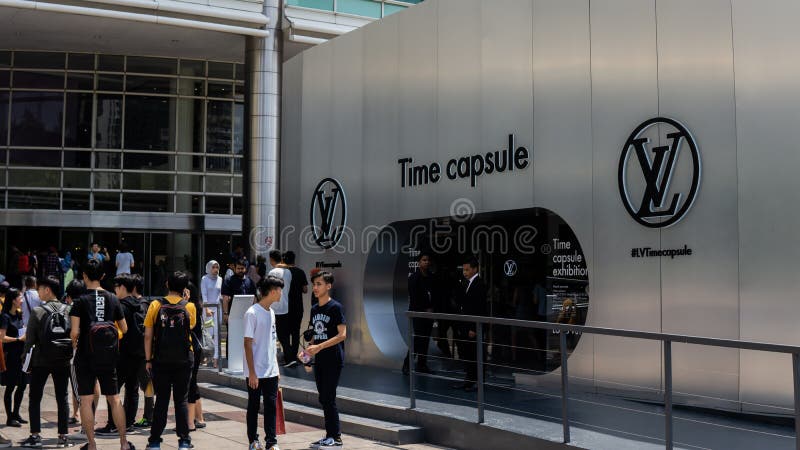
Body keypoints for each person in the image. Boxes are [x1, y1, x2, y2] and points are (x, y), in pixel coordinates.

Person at [69, 258, 134, 450]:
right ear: (103, 276)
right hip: (108, 356)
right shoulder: (113, 298)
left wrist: (76, 345)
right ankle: (123, 443)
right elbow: (125, 328)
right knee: (114, 398)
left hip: (85, 356)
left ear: (84, 276)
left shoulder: (80, 301)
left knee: (86, 400)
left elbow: (74, 332)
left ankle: (91, 445)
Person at [144, 271, 196, 450]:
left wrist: (148, 359)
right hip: (184, 359)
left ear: (167, 284)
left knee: (162, 400)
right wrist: (186, 301)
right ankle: (184, 440)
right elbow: (191, 326)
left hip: (160, 359)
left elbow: (148, 336)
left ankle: (155, 441)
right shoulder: (189, 307)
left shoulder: (155, 305)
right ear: (184, 288)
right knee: (181, 399)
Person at [21, 275, 74, 448]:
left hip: (40, 361)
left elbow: (29, 341)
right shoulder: (68, 309)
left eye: (40, 289)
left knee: (35, 397)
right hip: (63, 361)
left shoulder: (38, 311)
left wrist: (25, 363)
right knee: (62, 397)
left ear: (47, 290)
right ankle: (63, 437)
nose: (38, 293)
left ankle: (35, 436)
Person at [95, 274, 148, 435]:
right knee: (133, 389)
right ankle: (128, 423)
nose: (114, 290)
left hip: (122, 354)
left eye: (116, 287)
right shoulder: (140, 305)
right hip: (138, 354)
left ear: (123, 287)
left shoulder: (120, 306)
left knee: (113, 390)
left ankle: (113, 424)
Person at [306, 271, 347, 450]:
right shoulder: (314, 309)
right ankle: (329, 435)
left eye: (319, 284)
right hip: (320, 359)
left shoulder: (335, 307)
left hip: (333, 358)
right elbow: (315, 336)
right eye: (314, 284)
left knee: (329, 398)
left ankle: (335, 437)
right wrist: (307, 354)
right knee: (323, 398)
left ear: (328, 286)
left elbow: (342, 335)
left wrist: (320, 347)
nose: (315, 287)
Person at [244, 276, 283, 450]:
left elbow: (271, 341)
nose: (282, 293)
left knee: (271, 407)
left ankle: (271, 442)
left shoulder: (272, 312)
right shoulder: (252, 313)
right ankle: (253, 440)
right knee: (253, 406)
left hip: (271, 371)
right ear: (273, 291)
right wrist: (252, 372)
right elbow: (247, 343)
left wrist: (276, 367)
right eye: (280, 290)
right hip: (256, 371)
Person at [451, 257, 487, 392]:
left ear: (474, 269)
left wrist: (473, 327)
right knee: (468, 354)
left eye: (467, 270)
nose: (464, 272)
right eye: (463, 270)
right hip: (465, 325)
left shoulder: (479, 284)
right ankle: (469, 380)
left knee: (476, 354)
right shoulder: (465, 283)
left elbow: (480, 308)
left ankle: (478, 382)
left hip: (473, 326)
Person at [130, 274, 155, 429]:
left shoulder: (139, 305)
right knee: (145, 384)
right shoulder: (148, 304)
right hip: (145, 351)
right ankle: (147, 416)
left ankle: (148, 417)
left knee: (146, 385)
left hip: (141, 352)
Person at [402, 252, 434, 375]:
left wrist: (431, 308)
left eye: (428, 260)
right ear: (419, 262)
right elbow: (414, 297)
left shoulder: (431, 277)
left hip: (430, 314)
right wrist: (425, 308)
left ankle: (422, 364)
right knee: (418, 340)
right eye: (424, 260)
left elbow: (433, 294)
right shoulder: (413, 278)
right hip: (418, 313)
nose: (426, 262)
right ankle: (407, 364)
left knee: (425, 340)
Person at [0, 288, 27, 428]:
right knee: (10, 387)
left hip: (22, 356)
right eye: (20, 298)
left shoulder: (19, 314)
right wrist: (18, 339)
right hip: (11, 356)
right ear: (13, 300)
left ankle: (16, 413)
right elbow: (2, 338)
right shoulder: (5, 317)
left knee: (22, 385)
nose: (21, 300)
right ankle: (9, 417)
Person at [63, 279, 86, 426]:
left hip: (76, 353)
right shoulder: (88, 304)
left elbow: (73, 333)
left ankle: (84, 420)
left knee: (78, 388)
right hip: (91, 352)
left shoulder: (72, 309)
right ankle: (77, 414)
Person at [186, 282, 206, 432]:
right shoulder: (195, 306)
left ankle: (191, 421)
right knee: (193, 383)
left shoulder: (190, 307)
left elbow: (188, 325)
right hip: (196, 349)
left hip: (192, 349)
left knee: (190, 384)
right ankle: (199, 418)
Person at [283, 251, 308, 369]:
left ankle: (289, 357)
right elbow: (305, 290)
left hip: (285, 307)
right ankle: (294, 356)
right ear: (294, 260)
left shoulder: (283, 273)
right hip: (298, 307)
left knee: (285, 333)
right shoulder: (300, 272)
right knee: (295, 332)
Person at [267, 251, 292, 366]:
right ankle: (289, 358)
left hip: (273, 307)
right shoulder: (288, 272)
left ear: (271, 259)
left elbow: (268, 288)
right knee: (284, 335)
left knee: (271, 335)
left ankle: (272, 358)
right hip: (285, 307)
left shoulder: (272, 272)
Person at [200, 261, 222, 368]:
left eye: (217, 267)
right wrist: (206, 308)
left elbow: (220, 294)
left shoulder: (220, 279)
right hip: (207, 309)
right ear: (209, 268)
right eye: (213, 267)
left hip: (218, 309)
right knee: (208, 334)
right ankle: (206, 355)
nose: (215, 269)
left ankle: (216, 358)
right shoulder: (204, 279)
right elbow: (204, 294)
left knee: (217, 334)